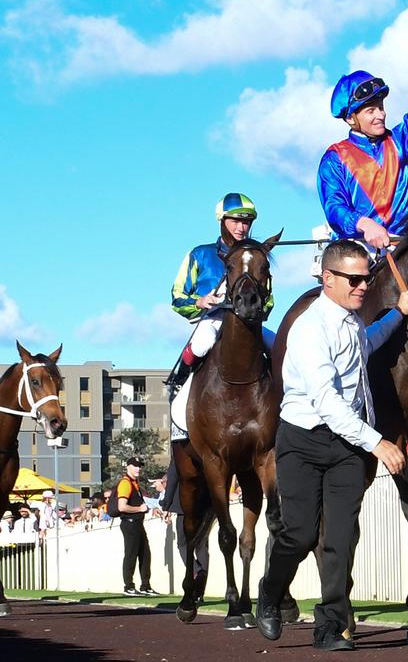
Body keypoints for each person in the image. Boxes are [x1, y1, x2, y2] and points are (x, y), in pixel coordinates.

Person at [255, 240, 408, 651]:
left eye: (367, 277)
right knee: (299, 534)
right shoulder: (310, 329)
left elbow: (367, 342)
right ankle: (270, 593)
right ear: (327, 279)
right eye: (354, 278)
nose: (363, 285)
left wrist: (399, 313)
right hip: (303, 441)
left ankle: (329, 627)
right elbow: (327, 404)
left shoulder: (350, 322)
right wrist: (378, 442)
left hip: (347, 447)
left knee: (341, 539)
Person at [320, 22, 408, 250]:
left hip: (404, 248)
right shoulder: (335, 158)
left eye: (381, 107)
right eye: (370, 110)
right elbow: (334, 207)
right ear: (350, 118)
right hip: (357, 250)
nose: (381, 115)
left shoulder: (401, 141)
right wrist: (363, 224)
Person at [167, 192, 275, 442]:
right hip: (215, 318)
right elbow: (176, 296)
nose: (241, 227)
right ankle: (179, 386)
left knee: (281, 345)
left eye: (246, 221)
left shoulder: (257, 255)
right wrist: (201, 301)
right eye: (235, 220)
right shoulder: (200, 254)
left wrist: (257, 307)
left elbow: (269, 299)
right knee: (203, 341)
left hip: (249, 323)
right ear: (222, 220)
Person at [160, 455, 209, 591]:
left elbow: (172, 479)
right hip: (204, 504)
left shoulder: (179, 454)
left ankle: (196, 571)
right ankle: (200, 588)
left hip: (183, 505)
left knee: (182, 544)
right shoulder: (203, 450)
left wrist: (166, 506)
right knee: (202, 546)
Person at [116, 457, 159, 597]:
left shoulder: (135, 483)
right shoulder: (125, 483)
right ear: (128, 466)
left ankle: (145, 586)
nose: (138, 469)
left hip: (137, 523)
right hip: (129, 523)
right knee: (131, 554)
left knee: (145, 554)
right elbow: (122, 506)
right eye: (135, 466)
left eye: (139, 466)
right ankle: (128, 586)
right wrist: (139, 509)